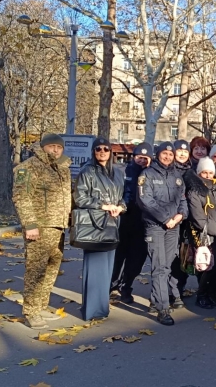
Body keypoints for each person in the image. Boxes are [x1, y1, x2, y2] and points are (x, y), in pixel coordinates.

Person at [12, 134, 72, 329]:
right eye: (51, 146)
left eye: (59, 147)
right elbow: (21, 197)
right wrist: (30, 224)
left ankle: (42, 305)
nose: (55, 150)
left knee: (52, 268)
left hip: (58, 226)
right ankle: (31, 311)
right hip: (39, 227)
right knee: (35, 270)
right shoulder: (28, 167)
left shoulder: (62, 167)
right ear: (43, 147)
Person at [74, 138, 125, 322]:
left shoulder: (118, 172)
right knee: (94, 269)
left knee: (106, 269)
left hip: (112, 223)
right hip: (94, 224)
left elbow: (123, 196)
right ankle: (91, 310)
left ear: (111, 152)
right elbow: (80, 198)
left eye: (106, 149)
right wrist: (103, 206)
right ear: (93, 151)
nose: (102, 152)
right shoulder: (87, 171)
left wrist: (121, 207)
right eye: (98, 149)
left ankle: (102, 308)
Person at [136, 142, 187, 326]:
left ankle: (155, 299)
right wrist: (166, 219)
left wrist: (180, 216)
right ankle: (163, 308)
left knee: (166, 266)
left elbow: (183, 200)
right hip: (155, 226)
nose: (167, 157)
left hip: (174, 227)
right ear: (158, 155)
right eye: (164, 153)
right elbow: (145, 201)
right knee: (158, 266)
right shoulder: (147, 175)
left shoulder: (177, 176)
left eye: (170, 154)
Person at [111, 142, 153, 304]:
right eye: (139, 157)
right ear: (134, 156)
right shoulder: (121, 171)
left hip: (143, 222)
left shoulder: (152, 173)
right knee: (118, 256)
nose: (142, 161)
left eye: (146, 158)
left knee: (136, 259)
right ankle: (112, 284)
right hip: (124, 220)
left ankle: (126, 286)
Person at [185, 157, 216, 309]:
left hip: (212, 231)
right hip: (202, 233)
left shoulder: (214, 187)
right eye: (204, 173)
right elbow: (198, 218)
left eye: (210, 173)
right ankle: (201, 295)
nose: (207, 176)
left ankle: (208, 292)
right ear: (199, 173)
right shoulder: (194, 190)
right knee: (204, 264)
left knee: (212, 265)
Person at [169, 138, 193, 303]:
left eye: (186, 151)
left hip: (187, 220)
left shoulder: (192, 171)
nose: (183, 154)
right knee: (169, 257)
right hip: (170, 220)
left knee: (183, 256)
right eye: (180, 151)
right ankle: (169, 291)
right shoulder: (168, 170)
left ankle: (179, 288)